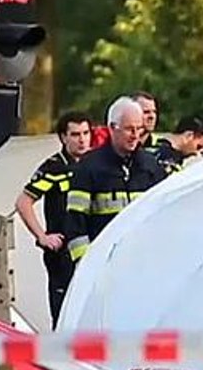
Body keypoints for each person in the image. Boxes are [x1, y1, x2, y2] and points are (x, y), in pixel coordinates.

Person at [61, 97, 167, 265]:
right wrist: (86, 265)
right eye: (129, 129)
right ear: (112, 128)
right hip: (103, 266)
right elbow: (75, 224)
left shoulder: (151, 167)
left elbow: (163, 217)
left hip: (145, 263)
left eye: (139, 129)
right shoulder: (88, 168)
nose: (135, 136)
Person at [15, 112, 93, 325]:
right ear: (63, 137)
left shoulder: (96, 164)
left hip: (90, 246)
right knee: (63, 312)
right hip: (63, 251)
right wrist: (42, 236)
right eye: (75, 134)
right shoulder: (54, 167)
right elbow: (23, 202)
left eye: (86, 133)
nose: (82, 139)